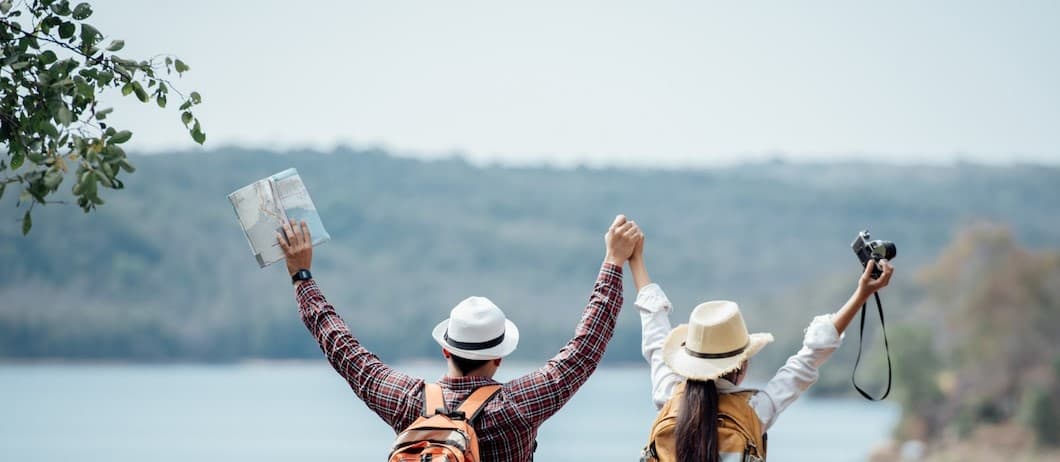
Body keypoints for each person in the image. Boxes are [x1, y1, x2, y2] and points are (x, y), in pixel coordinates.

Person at [275, 215, 643, 461]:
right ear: (499, 357)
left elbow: (342, 348)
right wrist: (613, 262)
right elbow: (583, 350)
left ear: (445, 349)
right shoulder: (516, 407)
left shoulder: (408, 402)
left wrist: (301, 276)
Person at [630, 231, 894, 461]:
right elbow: (810, 357)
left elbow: (655, 331)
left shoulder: (669, 396)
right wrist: (862, 293)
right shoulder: (755, 411)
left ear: (689, 360)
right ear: (742, 365)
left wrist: (636, 259)